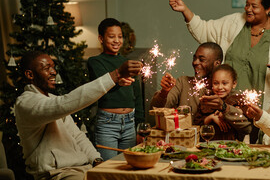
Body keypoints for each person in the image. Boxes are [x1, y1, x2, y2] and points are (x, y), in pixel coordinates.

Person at [169, 0, 270, 143]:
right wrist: (185, 10)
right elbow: (205, 30)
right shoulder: (233, 23)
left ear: (268, 9)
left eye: (254, 6)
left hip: (261, 110)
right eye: (246, 5)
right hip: (228, 108)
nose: (248, 9)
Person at [15, 51, 142, 180]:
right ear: (30, 74)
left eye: (53, 67)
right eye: (47, 68)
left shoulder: (52, 99)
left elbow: (77, 136)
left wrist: (96, 160)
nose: (54, 72)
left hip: (84, 168)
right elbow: (64, 103)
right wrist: (116, 75)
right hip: (58, 173)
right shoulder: (26, 103)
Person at [150, 42, 251, 139]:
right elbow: (156, 111)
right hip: (187, 143)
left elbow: (246, 127)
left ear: (217, 63)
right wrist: (164, 92)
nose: (195, 62)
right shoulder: (183, 83)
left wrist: (225, 109)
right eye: (194, 58)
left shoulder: (229, 94)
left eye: (201, 60)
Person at [87, 18, 144, 161]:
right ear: (101, 38)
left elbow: (137, 96)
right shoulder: (95, 62)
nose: (116, 41)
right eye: (111, 36)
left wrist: (139, 127)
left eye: (120, 37)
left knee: (129, 168)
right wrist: (119, 78)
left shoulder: (127, 62)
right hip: (108, 125)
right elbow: (102, 86)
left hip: (130, 124)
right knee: (108, 169)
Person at [193, 64, 251, 140]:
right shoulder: (207, 100)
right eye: (216, 83)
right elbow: (196, 125)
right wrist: (211, 118)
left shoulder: (239, 100)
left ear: (234, 84)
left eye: (225, 83)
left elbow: (247, 127)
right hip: (208, 144)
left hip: (232, 146)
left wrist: (228, 113)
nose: (220, 87)